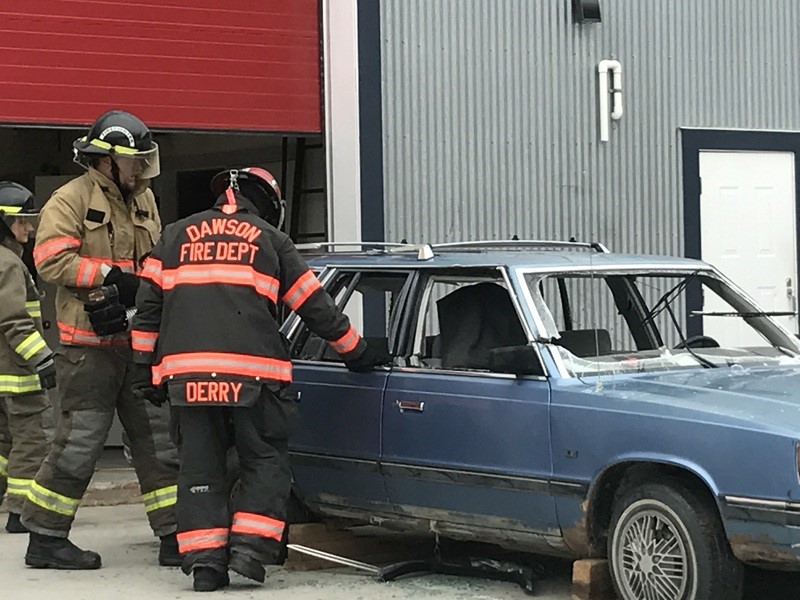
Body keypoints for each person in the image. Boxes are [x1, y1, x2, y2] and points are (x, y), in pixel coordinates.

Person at [130, 166, 384, 591]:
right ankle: (250, 551)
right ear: (267, 202)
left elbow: (147, 307)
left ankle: (205, 564)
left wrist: (144, 369)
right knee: (264, 461)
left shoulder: (174, 236)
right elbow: (314, 306)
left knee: (199, 468)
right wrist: (356, 352)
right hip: (255, 376)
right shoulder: (271, 239)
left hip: (187, 378)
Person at [20, 110, 180, 569]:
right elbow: (50, 259)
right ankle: (45, 539)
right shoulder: (69, 200)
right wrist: (111, 278)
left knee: (158, 440)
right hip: (86, 347)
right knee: (79, 442)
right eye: (134, 163)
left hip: (137, 342)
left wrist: (146, 286)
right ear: (106, 161)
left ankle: (173, 533)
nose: (141, 172)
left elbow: (157, 258)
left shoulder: (145, 199)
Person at [0, 182, 56, 534]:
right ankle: (21, 513)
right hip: (18, 375)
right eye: (21, 221)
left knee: (5, 444)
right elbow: (14, 321)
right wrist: (43, 359)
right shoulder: (9, 264)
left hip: (4, 374)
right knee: (33, 441)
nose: (29, 228)